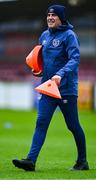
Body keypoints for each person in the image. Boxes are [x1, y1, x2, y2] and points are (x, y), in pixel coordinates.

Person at [12, 4, 89, 171]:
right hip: (47, 87)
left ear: (61, 18)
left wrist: (60, 74)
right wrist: (38, 70)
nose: (50, 18)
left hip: (66, 89)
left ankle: (82, 161)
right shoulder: (44, 36)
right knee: (41, 122)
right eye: (48, 15)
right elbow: (42, 60)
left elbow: (74, 59)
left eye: (53, 15)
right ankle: (31, 161)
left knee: (73, 125)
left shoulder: (69, 35)